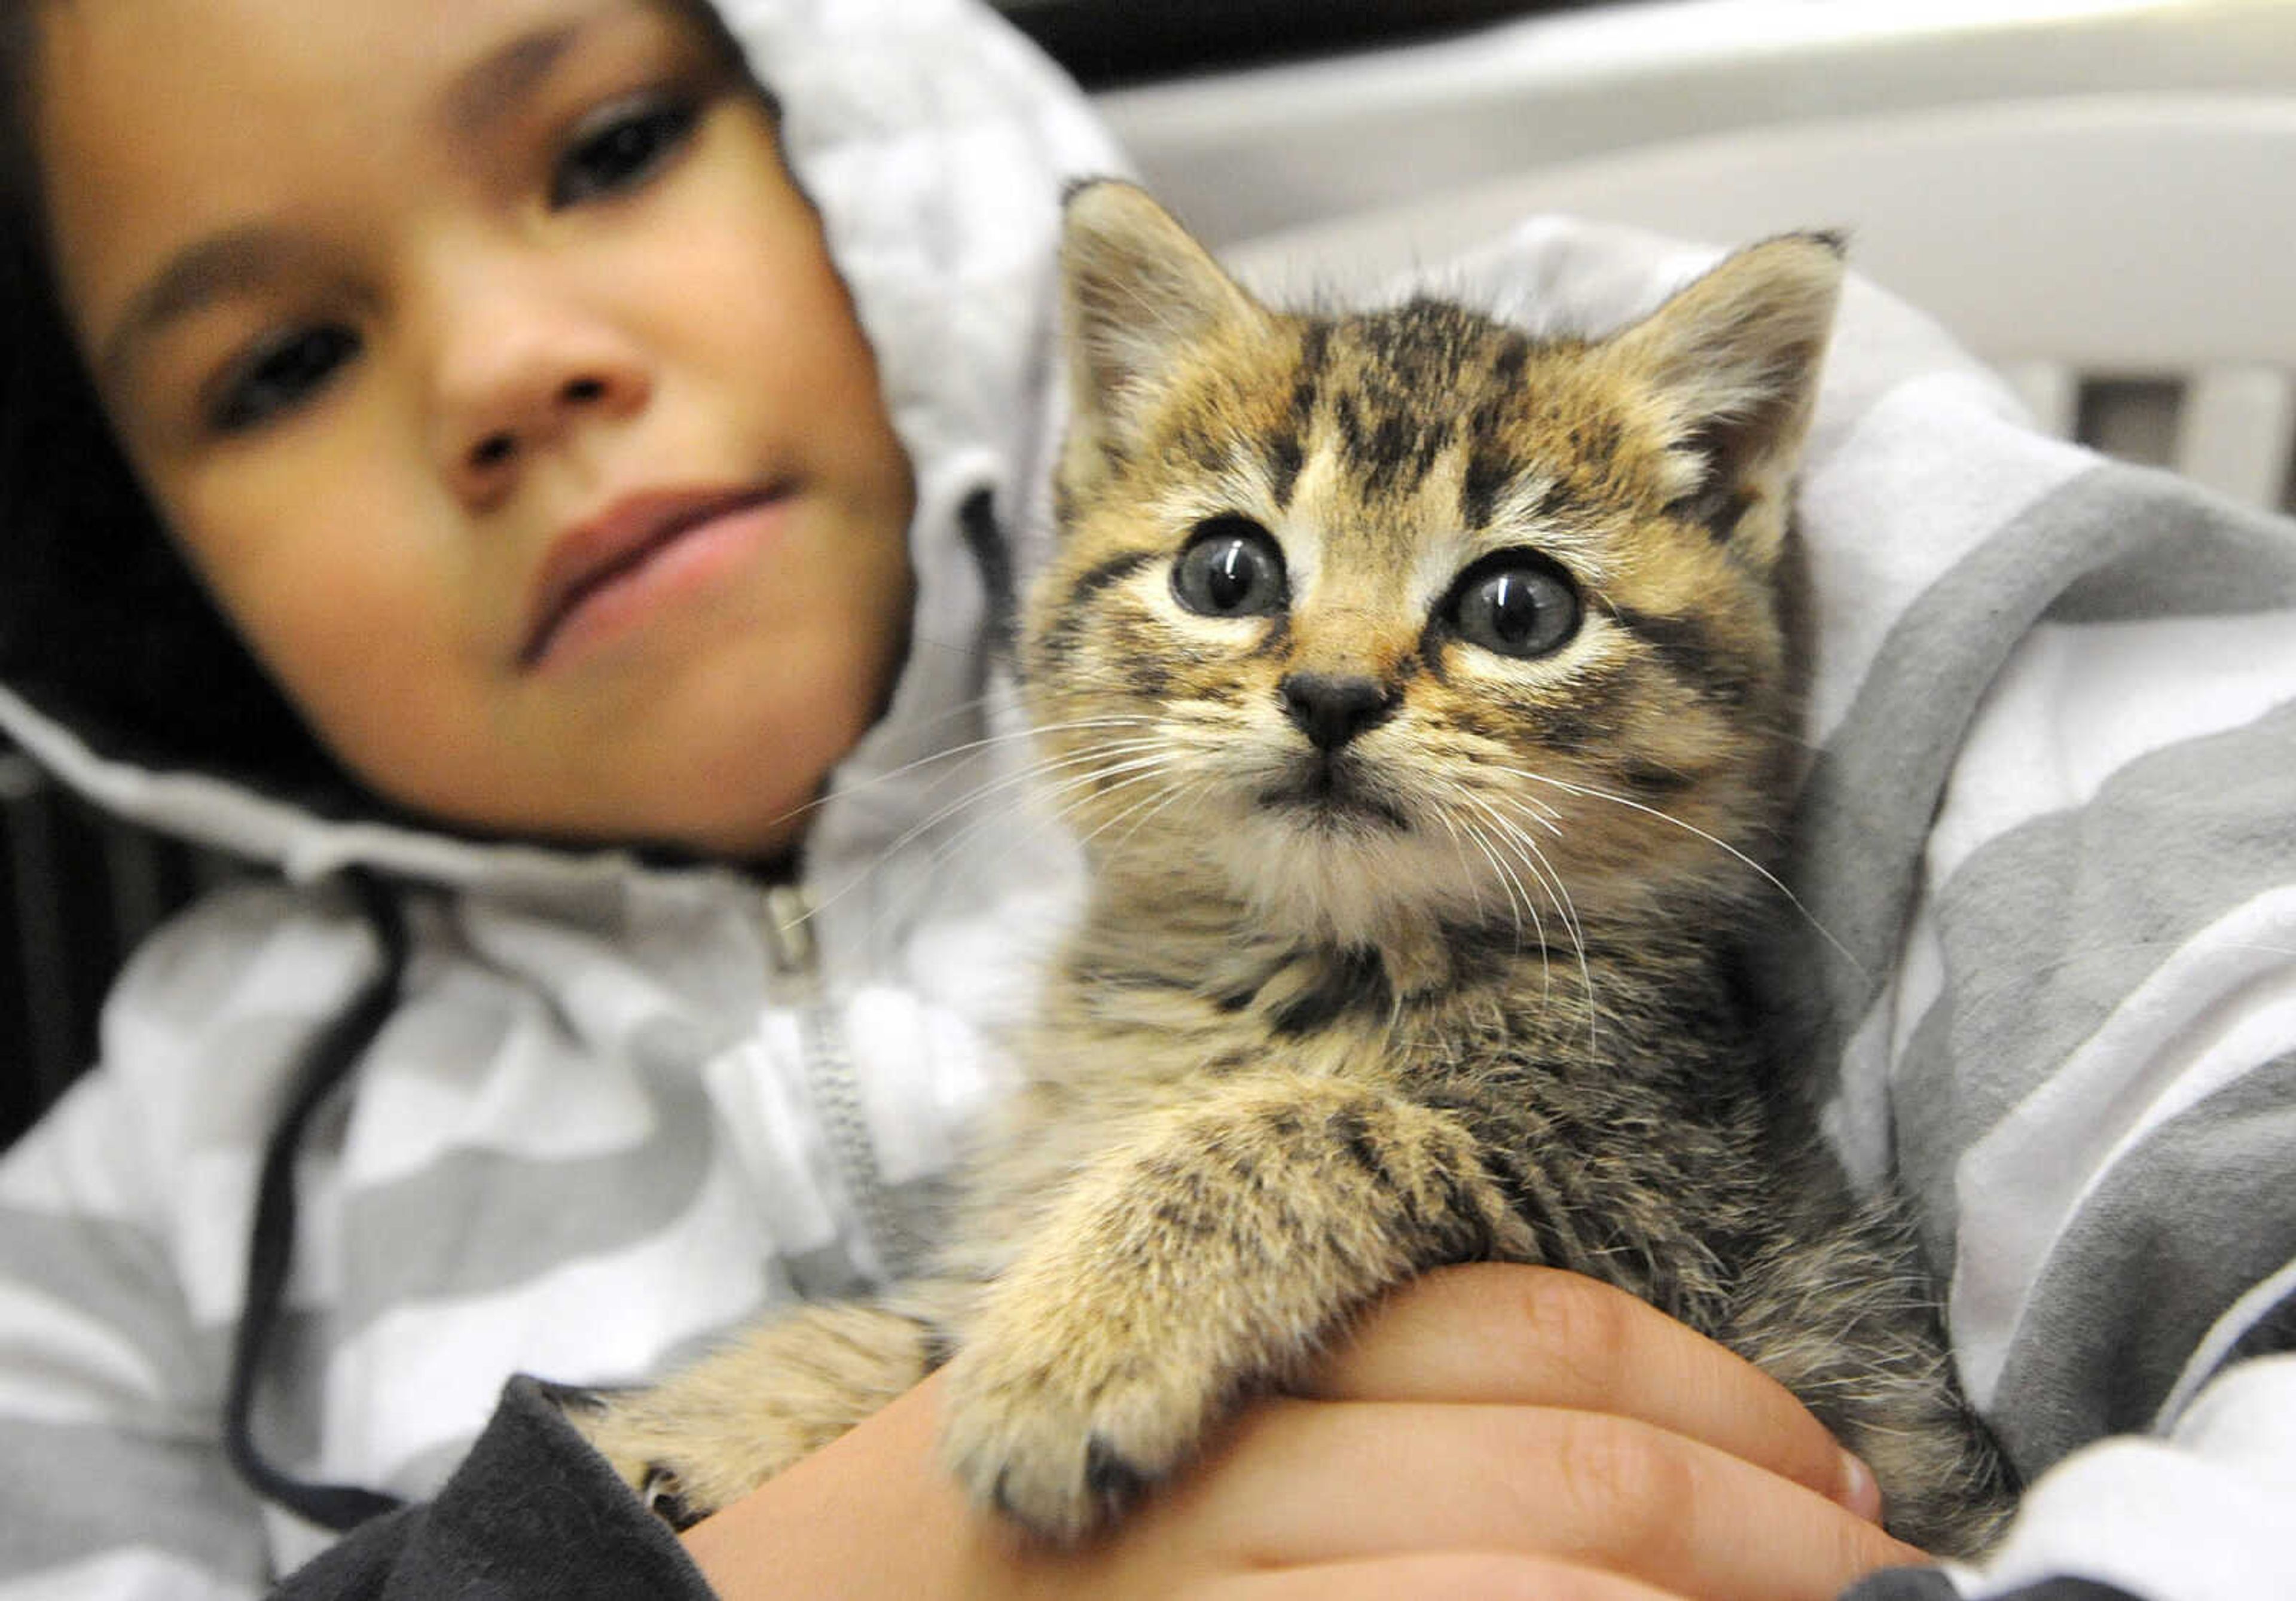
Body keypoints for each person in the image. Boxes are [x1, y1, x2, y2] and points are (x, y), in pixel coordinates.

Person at [0, 0, 2288, 1597]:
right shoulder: (144, 1191)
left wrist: (1274, 1180)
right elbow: (994, 1372)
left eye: (1502, 606)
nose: (1328, 676)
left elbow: (1635, 1220)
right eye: (1233, 576)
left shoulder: (1713, 688)